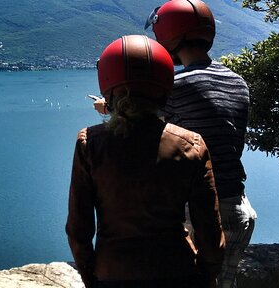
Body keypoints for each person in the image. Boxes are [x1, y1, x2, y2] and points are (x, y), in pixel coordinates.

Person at [68, 34, 225, 288]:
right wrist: (205, 277)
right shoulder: (190, 144)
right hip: (178, 272)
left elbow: (78, 231)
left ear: (107, 84)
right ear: (164, 83)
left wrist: (92, 278)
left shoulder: (91, 143)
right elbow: (210, 232)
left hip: (112, 274)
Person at [142, 0, 257, 288]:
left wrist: (111, 107)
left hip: (201, 212)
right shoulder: (237, 81)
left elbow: (140, 123)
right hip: (238, 207)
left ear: (169, 35)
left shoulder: (179, 86)